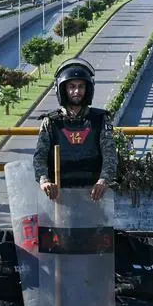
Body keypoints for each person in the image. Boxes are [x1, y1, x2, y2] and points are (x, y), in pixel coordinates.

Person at [33, 58, 117, 200]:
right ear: (63, 89)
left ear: (88, 89)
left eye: (81, 86)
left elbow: (110, 154)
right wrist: (44, 181)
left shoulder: (100, 119)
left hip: (94, 193)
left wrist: (104, 180)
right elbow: (40, 156)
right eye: (71, 86)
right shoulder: (51, 122)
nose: (76, 91)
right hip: (59, 193)